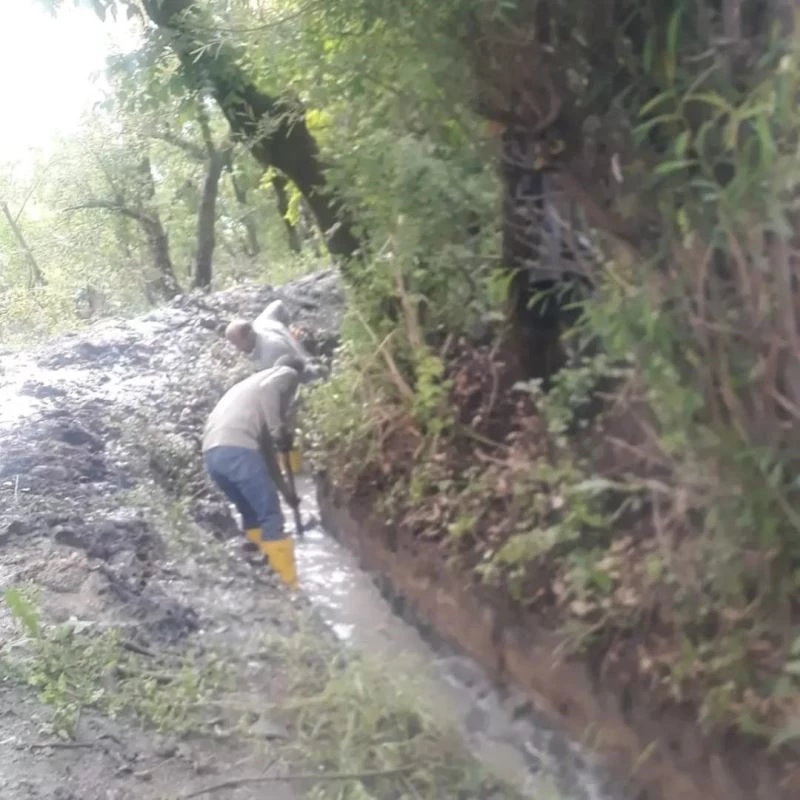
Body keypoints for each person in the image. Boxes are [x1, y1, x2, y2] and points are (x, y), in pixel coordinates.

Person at [202, 355, 303, 589]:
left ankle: (263, 579)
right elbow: (271, 390)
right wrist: (280, 430)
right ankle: (288, 587)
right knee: (272, 518)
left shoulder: (250, 393)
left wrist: (286, 492)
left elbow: (267, 458)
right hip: (238, 451)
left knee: (252, 515)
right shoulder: (285, 374)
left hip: (213, 455)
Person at [225, 299, 326, 383]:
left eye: (238, 344)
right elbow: (278, 304)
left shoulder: (267, 358)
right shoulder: (262, 322)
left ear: (250, 335)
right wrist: (289, 326)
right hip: (308, 358)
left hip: (312, 376)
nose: (237, 349)